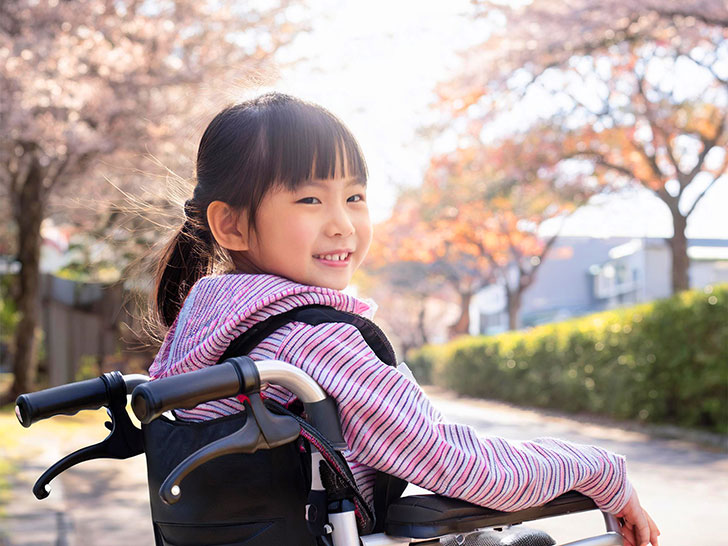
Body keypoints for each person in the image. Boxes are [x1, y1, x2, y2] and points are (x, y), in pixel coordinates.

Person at [149, 92, 659, 546]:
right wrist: (600, 469)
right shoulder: (310, 345)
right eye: (310, 199)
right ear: (231, 224)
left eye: (354, 197)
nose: (342, 224)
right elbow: (464, 467)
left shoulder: (193, 341)